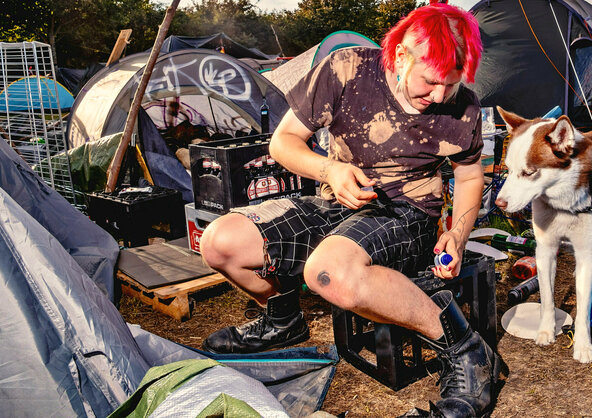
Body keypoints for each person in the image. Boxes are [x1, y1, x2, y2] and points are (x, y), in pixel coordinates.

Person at [199, 3, 502, 416]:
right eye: (430, 83)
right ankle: (282, 318)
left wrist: (458, 233)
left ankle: (466, 349)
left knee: (329, 273)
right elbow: (282, 142)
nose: (439, 97)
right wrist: (330, 169)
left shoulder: (462, 107)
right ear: (400, 56)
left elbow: (468, 177)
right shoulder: (346, 69)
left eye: (449, 85)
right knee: (220, 243)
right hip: (333, 198)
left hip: (406, 213)